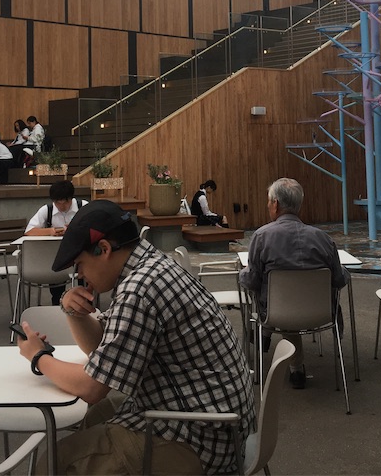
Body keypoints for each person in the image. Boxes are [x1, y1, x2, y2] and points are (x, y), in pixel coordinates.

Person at [16, 200, 254, 475]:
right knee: (97, 416)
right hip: (215, 422)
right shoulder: (152, 266)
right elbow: (103, 350)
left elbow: (93, 387)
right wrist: (74, 311)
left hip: (200, 439)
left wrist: (39, 356)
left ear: (104, 249)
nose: (78, 275)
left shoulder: (139, 289)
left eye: (79, 264)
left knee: (57, 461)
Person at [239, 177, 349, 390]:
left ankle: (266, 335)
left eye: (269, 201)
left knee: (269, 294)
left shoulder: (261, 237)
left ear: (275, 204)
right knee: (286, 297)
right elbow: (339, 279)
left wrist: (241, 273)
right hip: (321, 314)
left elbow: (251, 281)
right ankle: (295, 367)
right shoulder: (324, 239)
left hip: (276, 312)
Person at [24, 181, 87, 304]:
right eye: (58, 203)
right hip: (56, 256)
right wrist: (50, 231)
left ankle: (84, 303)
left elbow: (95, 228)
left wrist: (75, 230)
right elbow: (29, 231)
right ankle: (57, 303)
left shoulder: (83, 206)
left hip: (80, 256)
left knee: (84, 279)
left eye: (66, 203)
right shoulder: (47, 210)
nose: (62, 206)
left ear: (71, 198)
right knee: (56, 278)